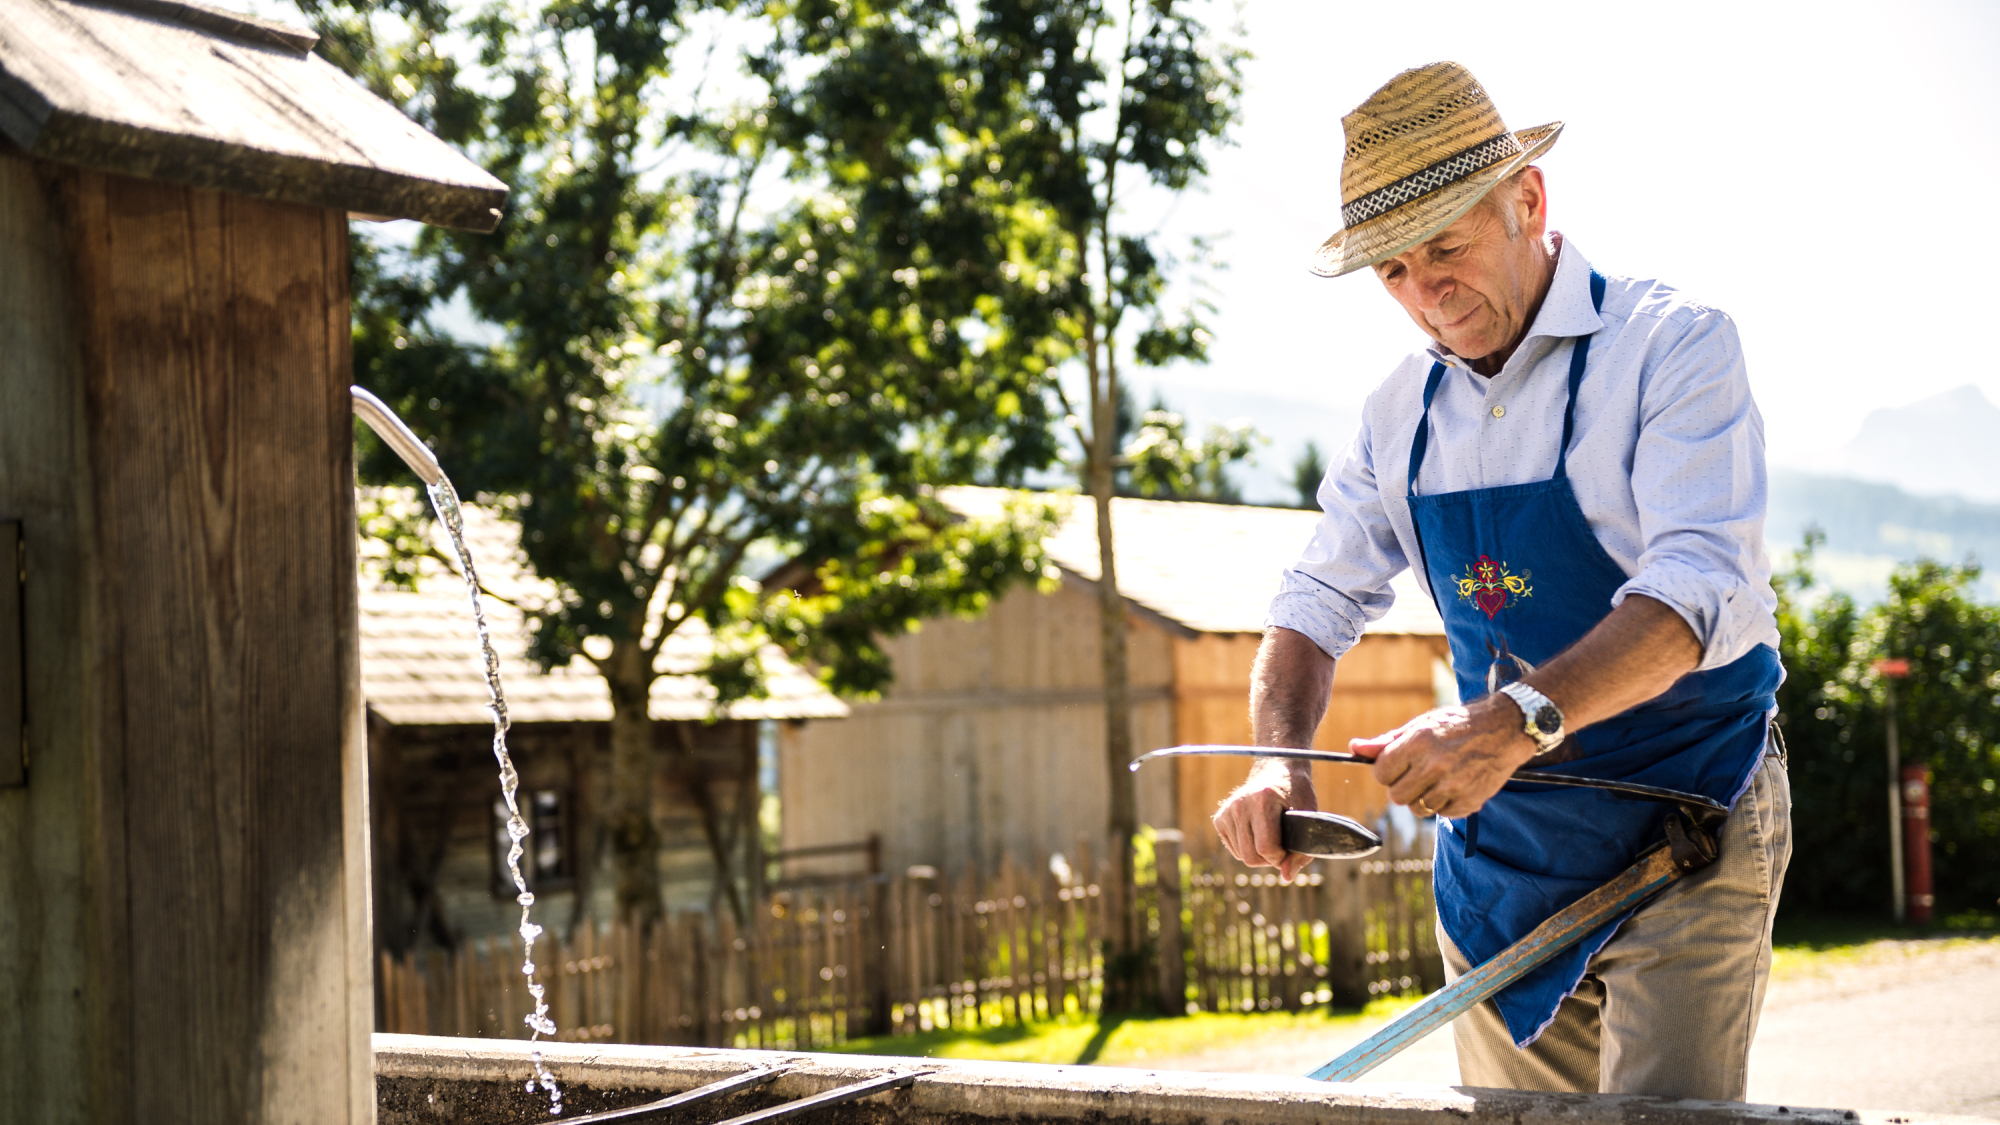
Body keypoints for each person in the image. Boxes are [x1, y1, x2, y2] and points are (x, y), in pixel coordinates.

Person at [1211, 61, 1791, 1100]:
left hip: (1684, 815)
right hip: (1502, 855)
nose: (1424, 292)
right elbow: (1313, 600)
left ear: (1526, 201)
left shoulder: (1670, 345)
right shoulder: (1398, 416)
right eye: (1390, 269)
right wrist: (1275, 765)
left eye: (1444, 245)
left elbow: (1694, 593)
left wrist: (1508, 722)